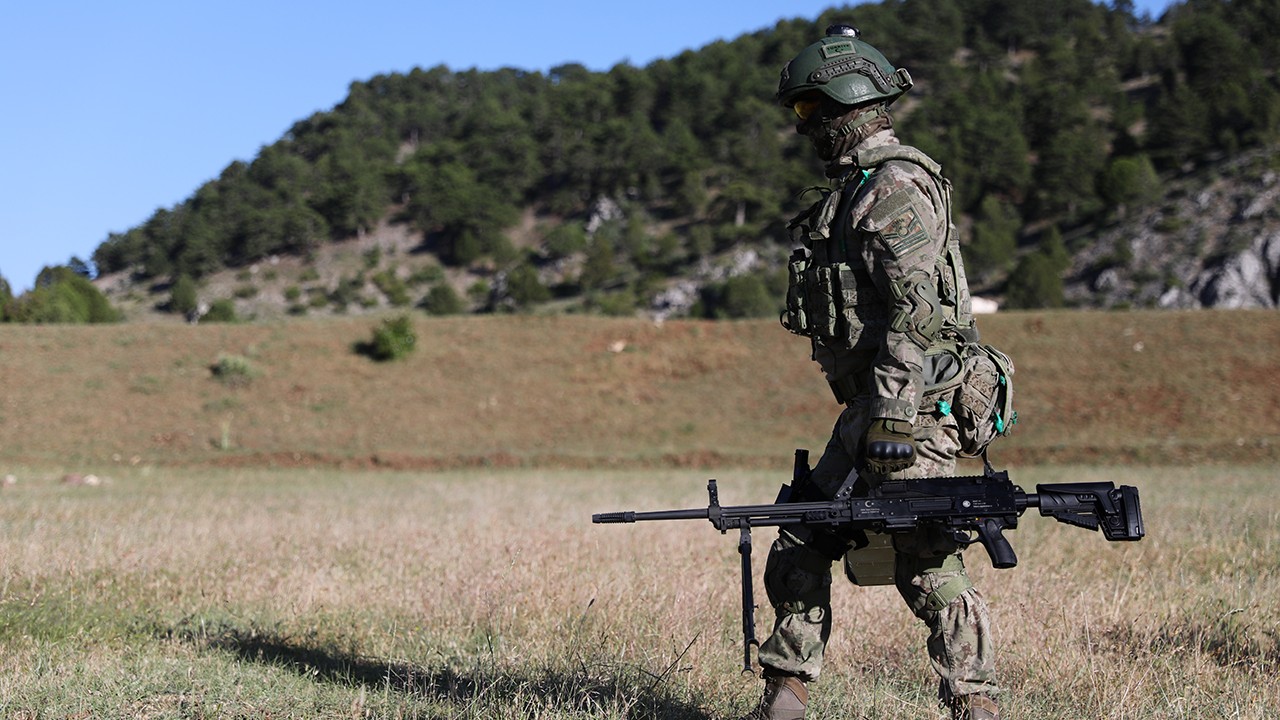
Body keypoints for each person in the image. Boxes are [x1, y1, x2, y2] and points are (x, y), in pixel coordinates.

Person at [744, 24, 1004, 720]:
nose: (804, 129)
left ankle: (974, 702)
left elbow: (916, 310)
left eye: (808, 111)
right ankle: (788, 694)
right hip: (878, 404)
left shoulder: (890, 189)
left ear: (846, 104)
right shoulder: (859, 188)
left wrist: (892, 413)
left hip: (909, 403)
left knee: (921, 556)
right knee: (806, 530)